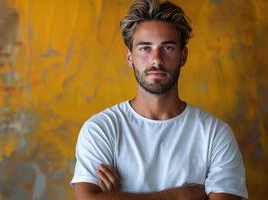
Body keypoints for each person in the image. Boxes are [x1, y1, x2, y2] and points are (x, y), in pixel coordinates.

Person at [70, 0, 248, 199]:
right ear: (130, 57)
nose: (156, 59)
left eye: (168, 48)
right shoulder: (101, 129)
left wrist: (119, 197)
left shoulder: (215, 134)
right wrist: (179, 195)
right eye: (145, 48)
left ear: (183, 56)